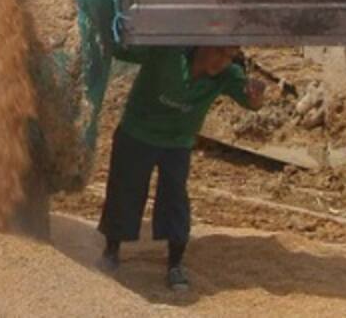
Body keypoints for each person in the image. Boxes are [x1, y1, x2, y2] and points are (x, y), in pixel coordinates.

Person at [98, 45, 266, 292]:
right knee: (125, 191)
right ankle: (112, 250)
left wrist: (256, 95)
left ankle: (175, 263)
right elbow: (123, 48)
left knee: (174, 198)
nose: (223, 61)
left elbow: (251, 103)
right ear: (200, 45)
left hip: (177, 142)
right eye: (219, 52)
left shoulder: (227, 74)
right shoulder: (166, 53)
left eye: (230, 56)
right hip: (137, 132)